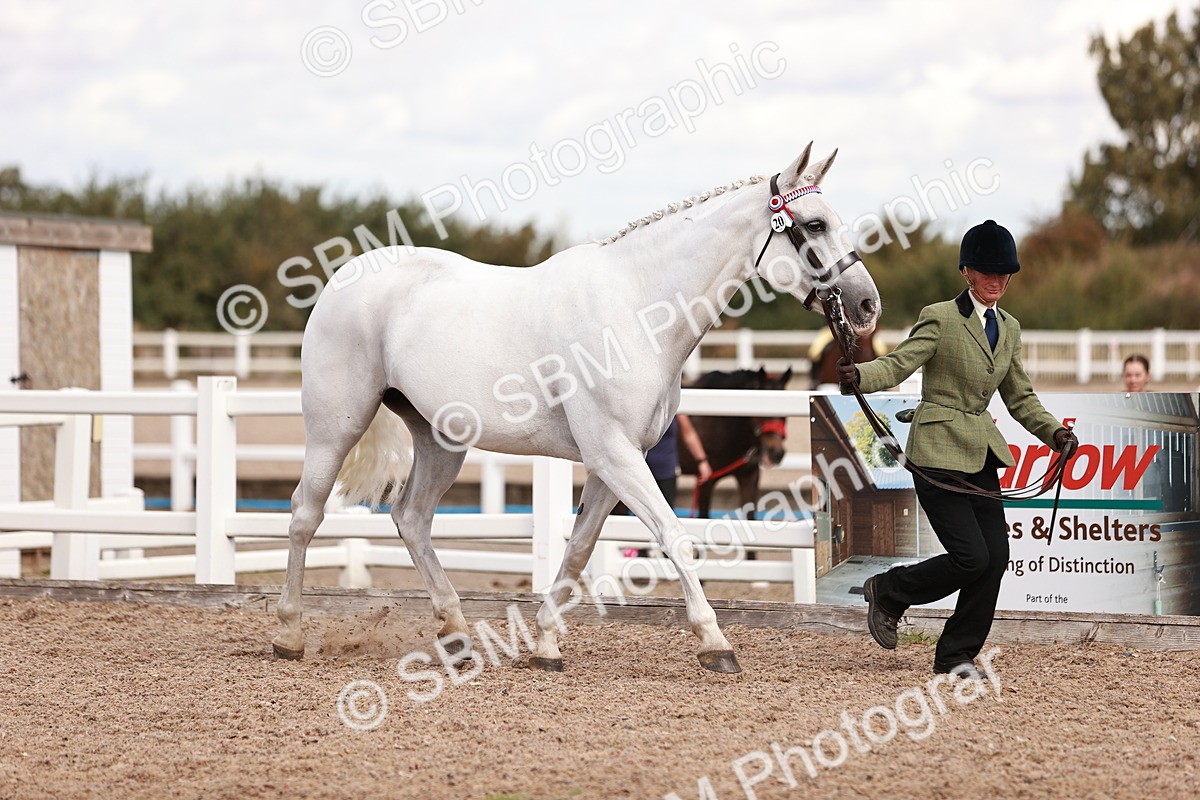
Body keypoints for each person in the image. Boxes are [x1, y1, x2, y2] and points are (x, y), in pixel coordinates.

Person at [837, 219, 1079, 679]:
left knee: (996, 558)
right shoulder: (940, 317)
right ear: (967, 271)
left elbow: (1020, 397)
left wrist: (1055, 434)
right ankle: (890, 590)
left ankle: (955, 655)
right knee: (971, 557)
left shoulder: (1009, 328)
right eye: (988, 271)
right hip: (936, 451)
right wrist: (861, 376)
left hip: (980, 454)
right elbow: (900, 364)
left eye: (1004, 273)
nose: (997, 280)